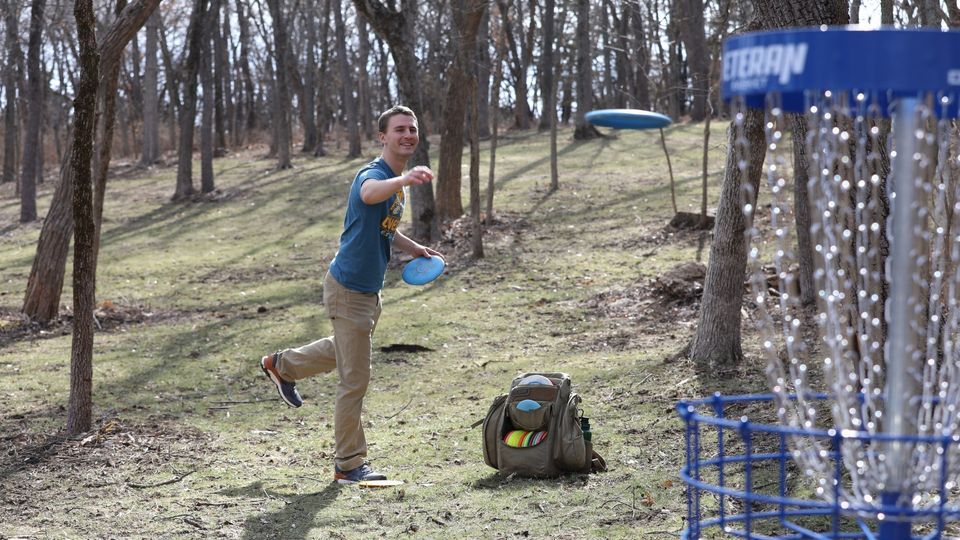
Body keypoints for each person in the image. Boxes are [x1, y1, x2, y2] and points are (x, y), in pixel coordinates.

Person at [259, 105, 443, 484]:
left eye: (412, 129)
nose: (408, 135)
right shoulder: (376, 175)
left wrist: (415, 249)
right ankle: (348, 464)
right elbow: (370, 193)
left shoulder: (393, 180)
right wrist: (405, 180)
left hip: (367, 292)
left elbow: (385, 226)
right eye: (399, 130)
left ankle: (283, 365)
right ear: (383, 137)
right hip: (348, 290)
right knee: (354, 379)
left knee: (344, 351)